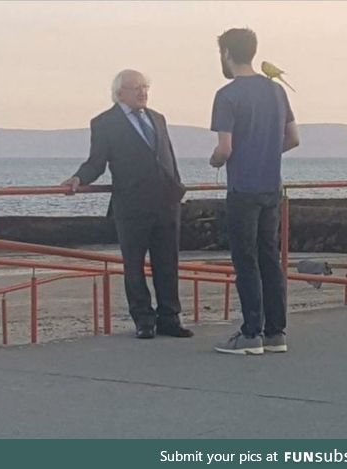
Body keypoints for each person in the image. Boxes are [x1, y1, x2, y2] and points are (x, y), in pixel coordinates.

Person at [62, 70, 193, 339]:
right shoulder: (104, 123)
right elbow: (97, 161)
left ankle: (169, 317)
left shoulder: (157, 118)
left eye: (145, 87)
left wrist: (177, 188)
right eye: (136, 88)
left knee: (168, 262)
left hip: (166, 202)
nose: (143, 92)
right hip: (131, 203)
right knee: (134, 265)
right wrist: (78, 178)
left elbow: (167, 157)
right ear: (120, 92)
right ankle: (144, 319)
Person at [209, 28, 300, 355]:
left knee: (245, 261)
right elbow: (293, 138)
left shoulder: (227, 95)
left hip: (243, 188)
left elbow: (225, 148)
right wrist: (267, 150)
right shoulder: (276, 92)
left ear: (227, 55)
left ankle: (251, 333)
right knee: (269, 259)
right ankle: (277, 332)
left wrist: (214, 160)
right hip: (270, 186)